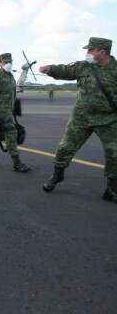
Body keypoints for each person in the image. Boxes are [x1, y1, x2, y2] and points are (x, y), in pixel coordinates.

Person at [40, 37, 117, 203]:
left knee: (115, 154)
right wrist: (50, 69)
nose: (87, 53)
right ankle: (57, 176)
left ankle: (112, 189)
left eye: (91, 50)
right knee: (65, 148)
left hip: (108, 120)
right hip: (81, 118)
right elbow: (65, 70)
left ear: (102, 52)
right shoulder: (83, 66)